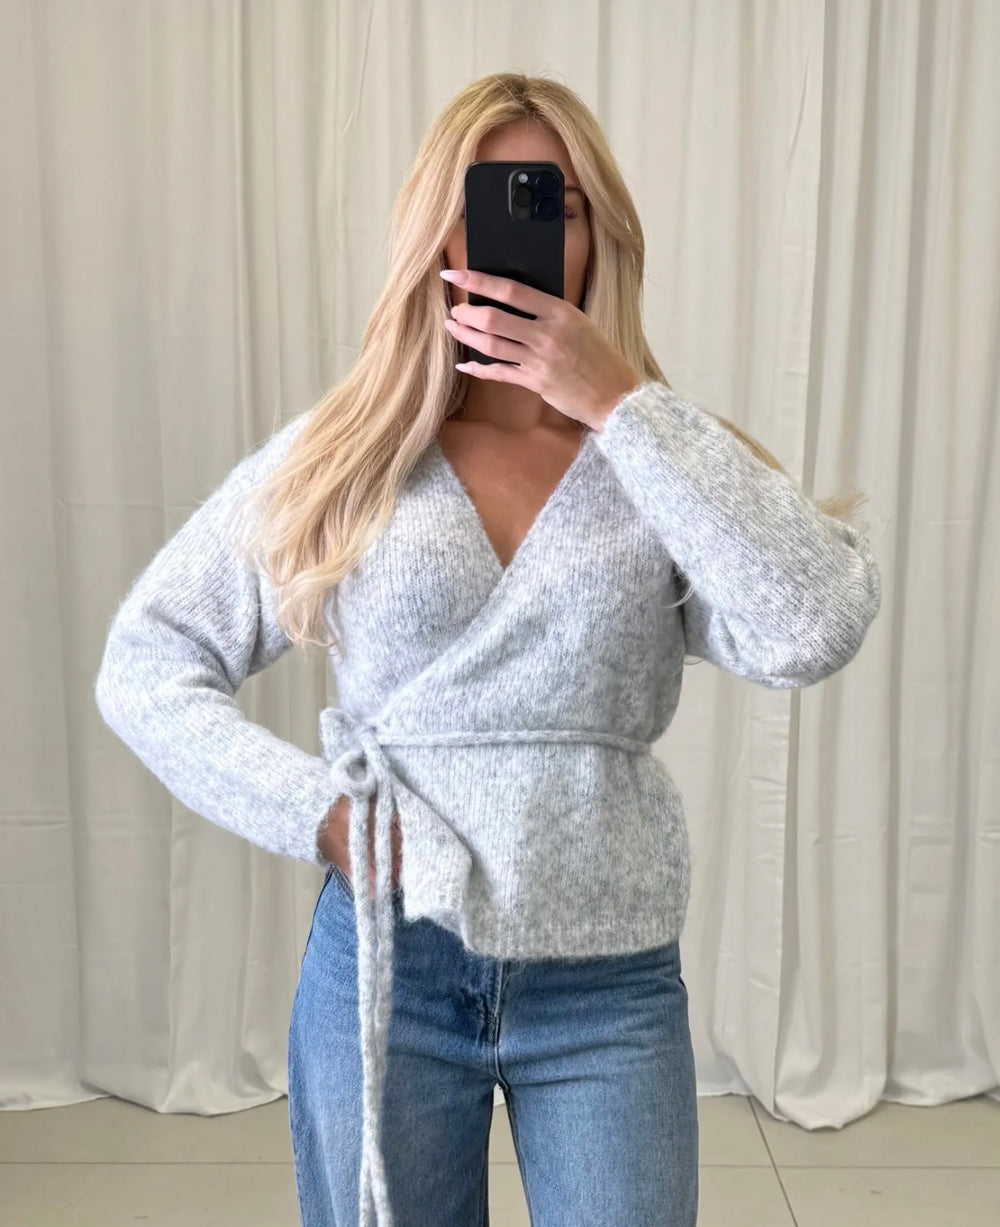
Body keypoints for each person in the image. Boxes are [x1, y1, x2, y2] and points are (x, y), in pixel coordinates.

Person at [95, 72, 881, 1227]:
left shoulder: (664, 459)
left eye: (557, 204)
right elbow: (147, 661)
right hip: (389, 970)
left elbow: (814, 626)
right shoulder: (346, 457)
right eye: (491, 201)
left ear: (602, 237)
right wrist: (318, 813)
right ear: (439, 233)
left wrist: (623, 407)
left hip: (607, 983)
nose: (525, 234)